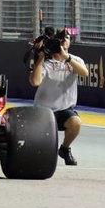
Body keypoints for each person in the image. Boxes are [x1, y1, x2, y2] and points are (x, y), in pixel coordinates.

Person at [28, 27, 90, 166]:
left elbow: (85, 73)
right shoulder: (45, 62)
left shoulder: (75, 60)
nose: (62, 42)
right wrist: (40, 56)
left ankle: (64, 149)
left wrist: (66, 57)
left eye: (66, 39)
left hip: (64, 110)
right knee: (40, 150)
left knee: (76, 123)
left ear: (70, 43)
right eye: (59, 40)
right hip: (43, 111)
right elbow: (35, 82)